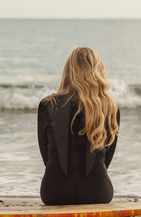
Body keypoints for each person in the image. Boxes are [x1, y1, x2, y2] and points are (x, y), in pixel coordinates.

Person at [37, 46, 120, 205]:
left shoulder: (47, 105)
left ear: (68, 71)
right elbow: (106, 161)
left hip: (54, 192)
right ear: (99, 71)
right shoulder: (109, 107)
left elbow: (47, 157)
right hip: (98, 192)